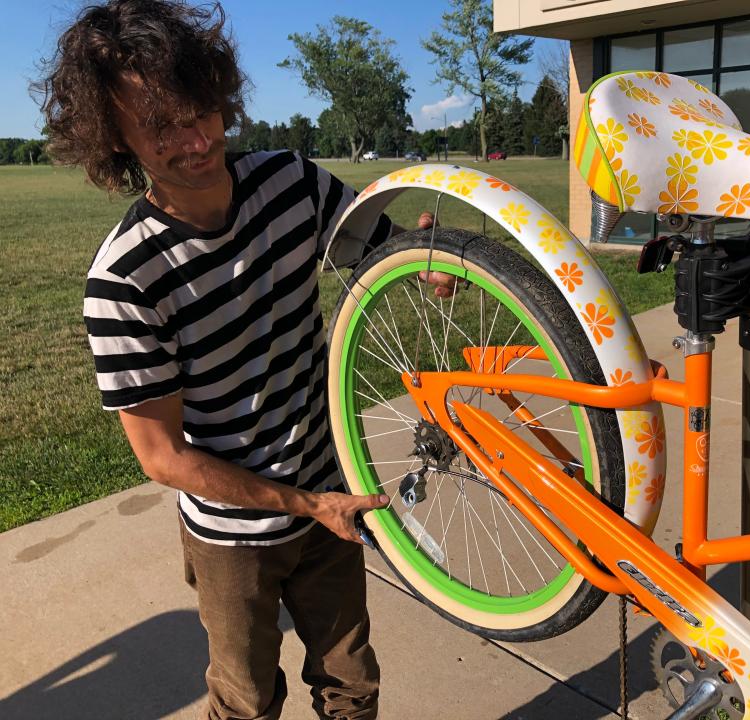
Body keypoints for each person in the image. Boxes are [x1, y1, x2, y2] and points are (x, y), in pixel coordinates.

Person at [36, 1, 453, 718]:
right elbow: (163, 458)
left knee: (353, 685)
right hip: (232, 537)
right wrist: (303, 504)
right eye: (160, 125)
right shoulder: (125, 280)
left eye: (201, 109)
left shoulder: (292, 182)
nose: (195, 139)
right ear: (115, 138)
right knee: (246, 699)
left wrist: (428, 263)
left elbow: (382, 254)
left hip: (331, 497)